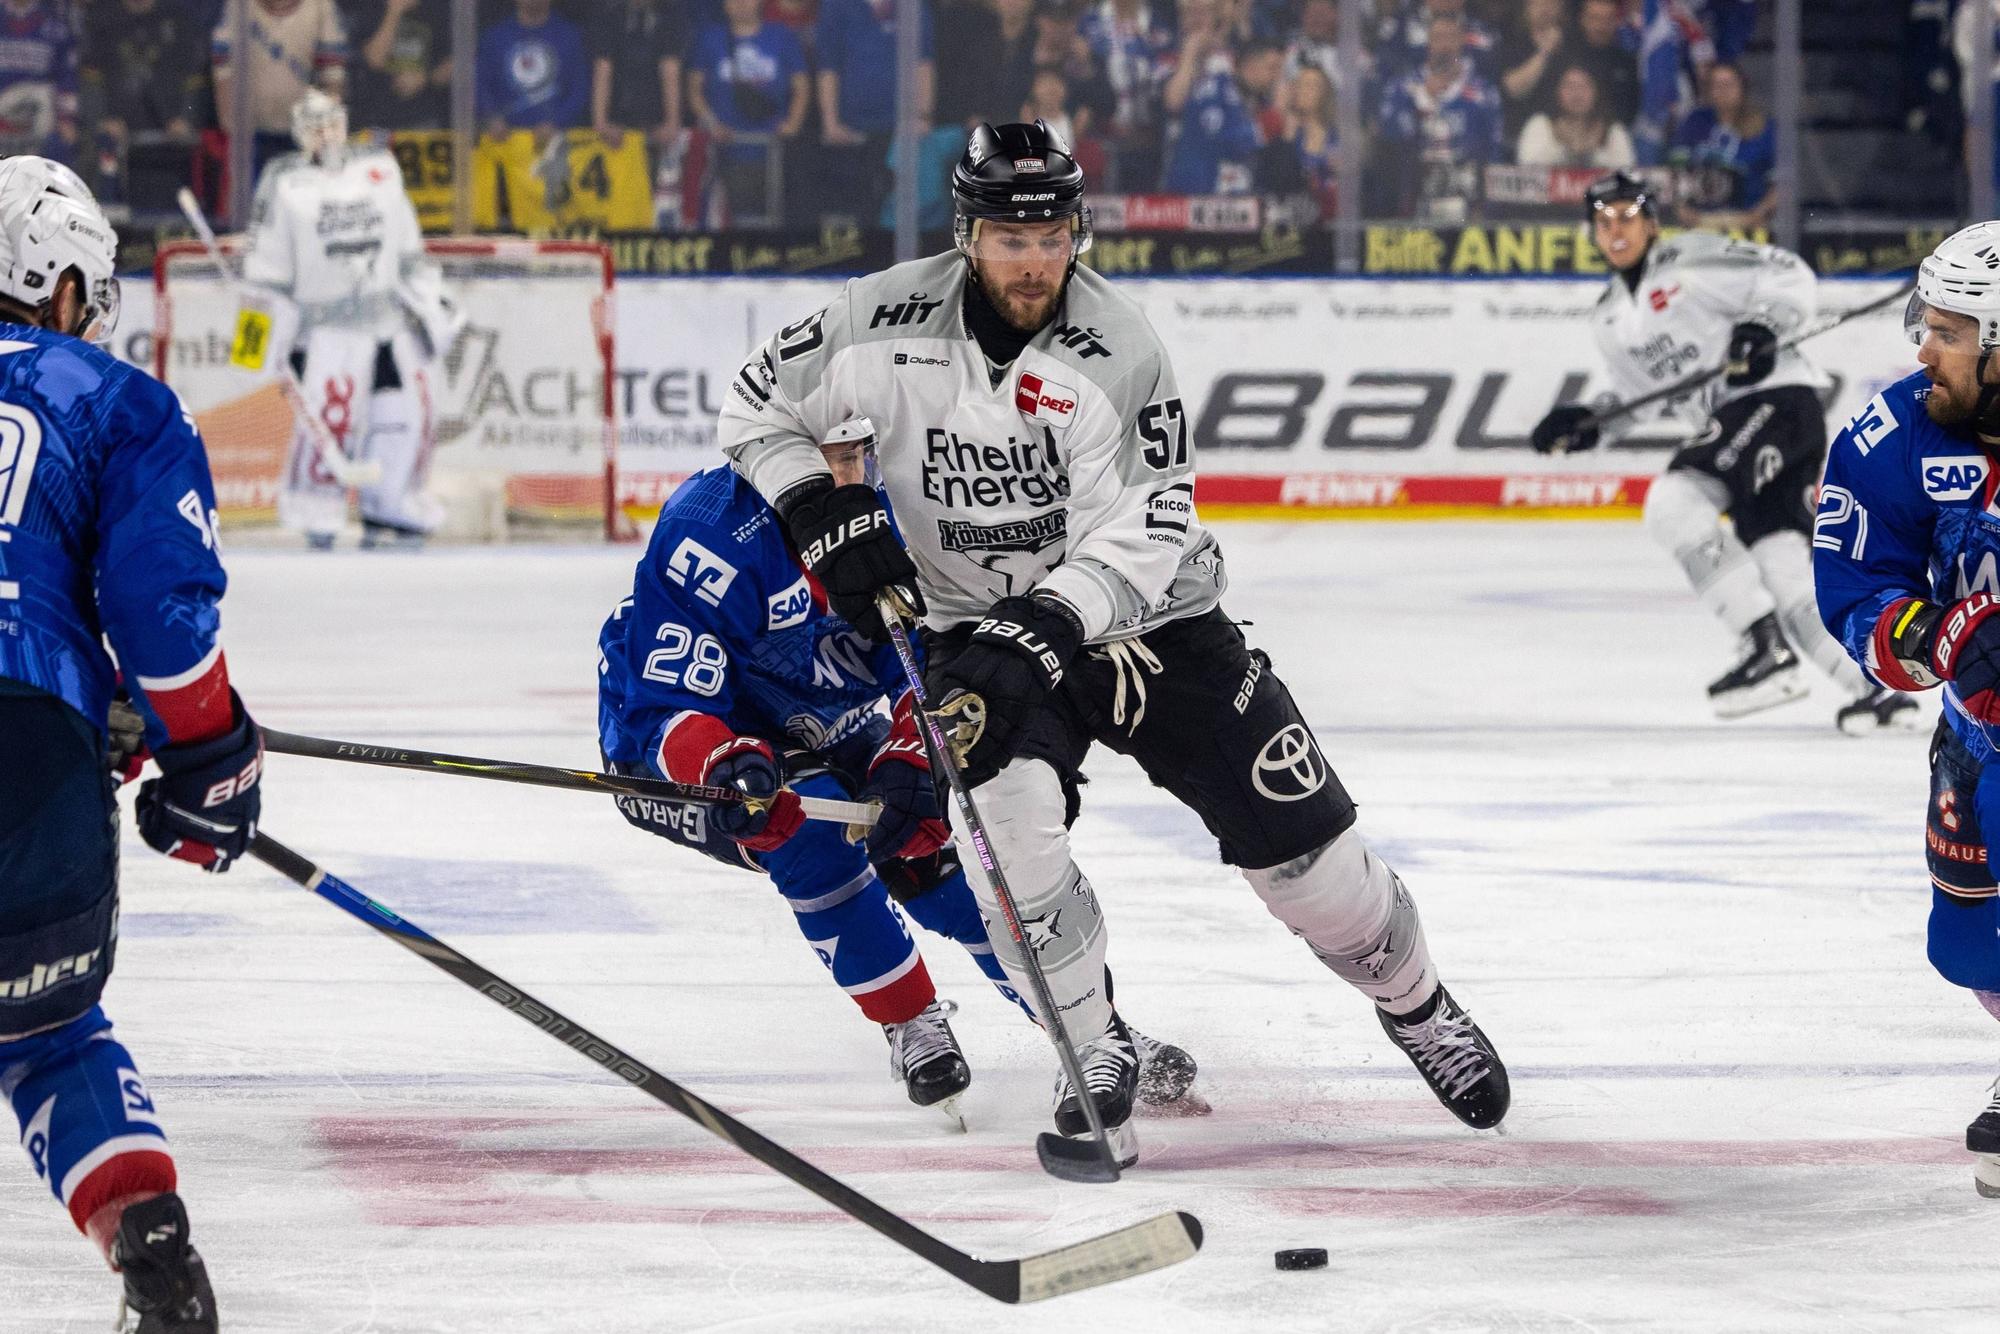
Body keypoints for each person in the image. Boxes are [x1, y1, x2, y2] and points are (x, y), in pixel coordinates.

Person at [716, 120, 1510, 1167]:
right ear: (966, 233)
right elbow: (752, 404)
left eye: (1051, 235)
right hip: (971, 627)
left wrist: (1043, 626)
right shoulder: (874, 320)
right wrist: (818, 506)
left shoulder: (1119, 349)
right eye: (1008, 236)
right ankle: (1089, 1052)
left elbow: (1148, 522)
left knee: (1308, 862)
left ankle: (1414, 1002)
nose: (1034, 259)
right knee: (1003, 829)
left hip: (1151, 622)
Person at [596, 426, 1198, 1120]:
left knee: (931, 845)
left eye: (856, 454)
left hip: (827, 714)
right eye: (824, 458)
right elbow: (667, 700)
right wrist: (720, 763)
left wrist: (913, 754)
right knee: (809, 831)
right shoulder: (708, 531)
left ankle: (1091, 1033)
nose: (846, 475)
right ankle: (909, 1021)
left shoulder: (898, 512)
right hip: (676, 737)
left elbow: (935, 668)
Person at [0, 156, 262, 1332]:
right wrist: (208, 759)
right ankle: (151, 1246)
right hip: (29, 746)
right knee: (46, 1030)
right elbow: (161, 616)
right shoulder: (112, 397)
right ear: (56, 285)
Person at [1530, 172, 1917, 733]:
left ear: (1652, 223)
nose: (1616, 229)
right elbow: (1637, 396)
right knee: (1784, 570)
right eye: (1604, 220)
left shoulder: (1690, 259)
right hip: (1750, 424)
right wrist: (1589, 423)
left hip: (1775, 402)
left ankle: (1765, 648)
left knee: (1673, 503)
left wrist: (1761, 329)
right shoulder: (1610, 315)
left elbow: (1788, 275)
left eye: (1627, 216)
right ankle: (1877, 693)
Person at [1814, 221, 2000, 1197]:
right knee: (1966, 943)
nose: (1920, 347)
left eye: (1945, 330)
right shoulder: (1892, 433)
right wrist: (1934, 633)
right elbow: (1855, 581)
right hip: (1973, 729)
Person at [242, 89, 458, 550]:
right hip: (326, 335)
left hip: (389, 325)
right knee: (330, 422)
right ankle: (317, 510)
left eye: (331, 122)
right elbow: (266, 272)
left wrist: (432, 302)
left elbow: (407, 251)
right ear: (300, 131)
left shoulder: (380, 171)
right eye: (313, 124)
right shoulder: (284, 183)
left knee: (405, 418)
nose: (325, 133)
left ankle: (393, 506)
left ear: (344, 123)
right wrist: (255, 338)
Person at [1667, 61, 1776, 232]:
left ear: (1742, 87)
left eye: (1728, 84)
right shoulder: (1695, 122)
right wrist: (1681, 209)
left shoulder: (1764, 127)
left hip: (1748, 220)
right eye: (1716, 85)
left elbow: (1783, 184)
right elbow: (1674, 171)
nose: (1723, 91)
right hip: (1699, 220)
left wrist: (1757, 214)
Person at [1514, 62, 1634, 168]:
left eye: (1583, 86)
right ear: (1558, 91)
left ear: (1596, 92)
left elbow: (1626, 170)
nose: (1577, 94)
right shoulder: (1540, 124)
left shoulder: (1613, 130)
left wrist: (1592, 156)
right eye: (1570, 86)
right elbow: (1526, 166)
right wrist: (1566, 152)